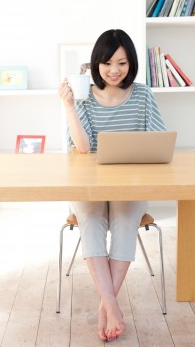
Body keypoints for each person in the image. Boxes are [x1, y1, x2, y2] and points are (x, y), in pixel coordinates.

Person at [58, 29, 166, 342]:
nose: (115, 70)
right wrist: (68, 107)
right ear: (96, 65)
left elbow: (157, 140)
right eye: (107, 63)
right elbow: (82, 148)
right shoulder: (83, 96)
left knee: (123, 220)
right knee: (90, 221)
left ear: (132, 62)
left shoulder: (143, 94)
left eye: (122, 62)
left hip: (131, 185)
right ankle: (113, 307)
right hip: (90, 187)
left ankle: (107, 307)